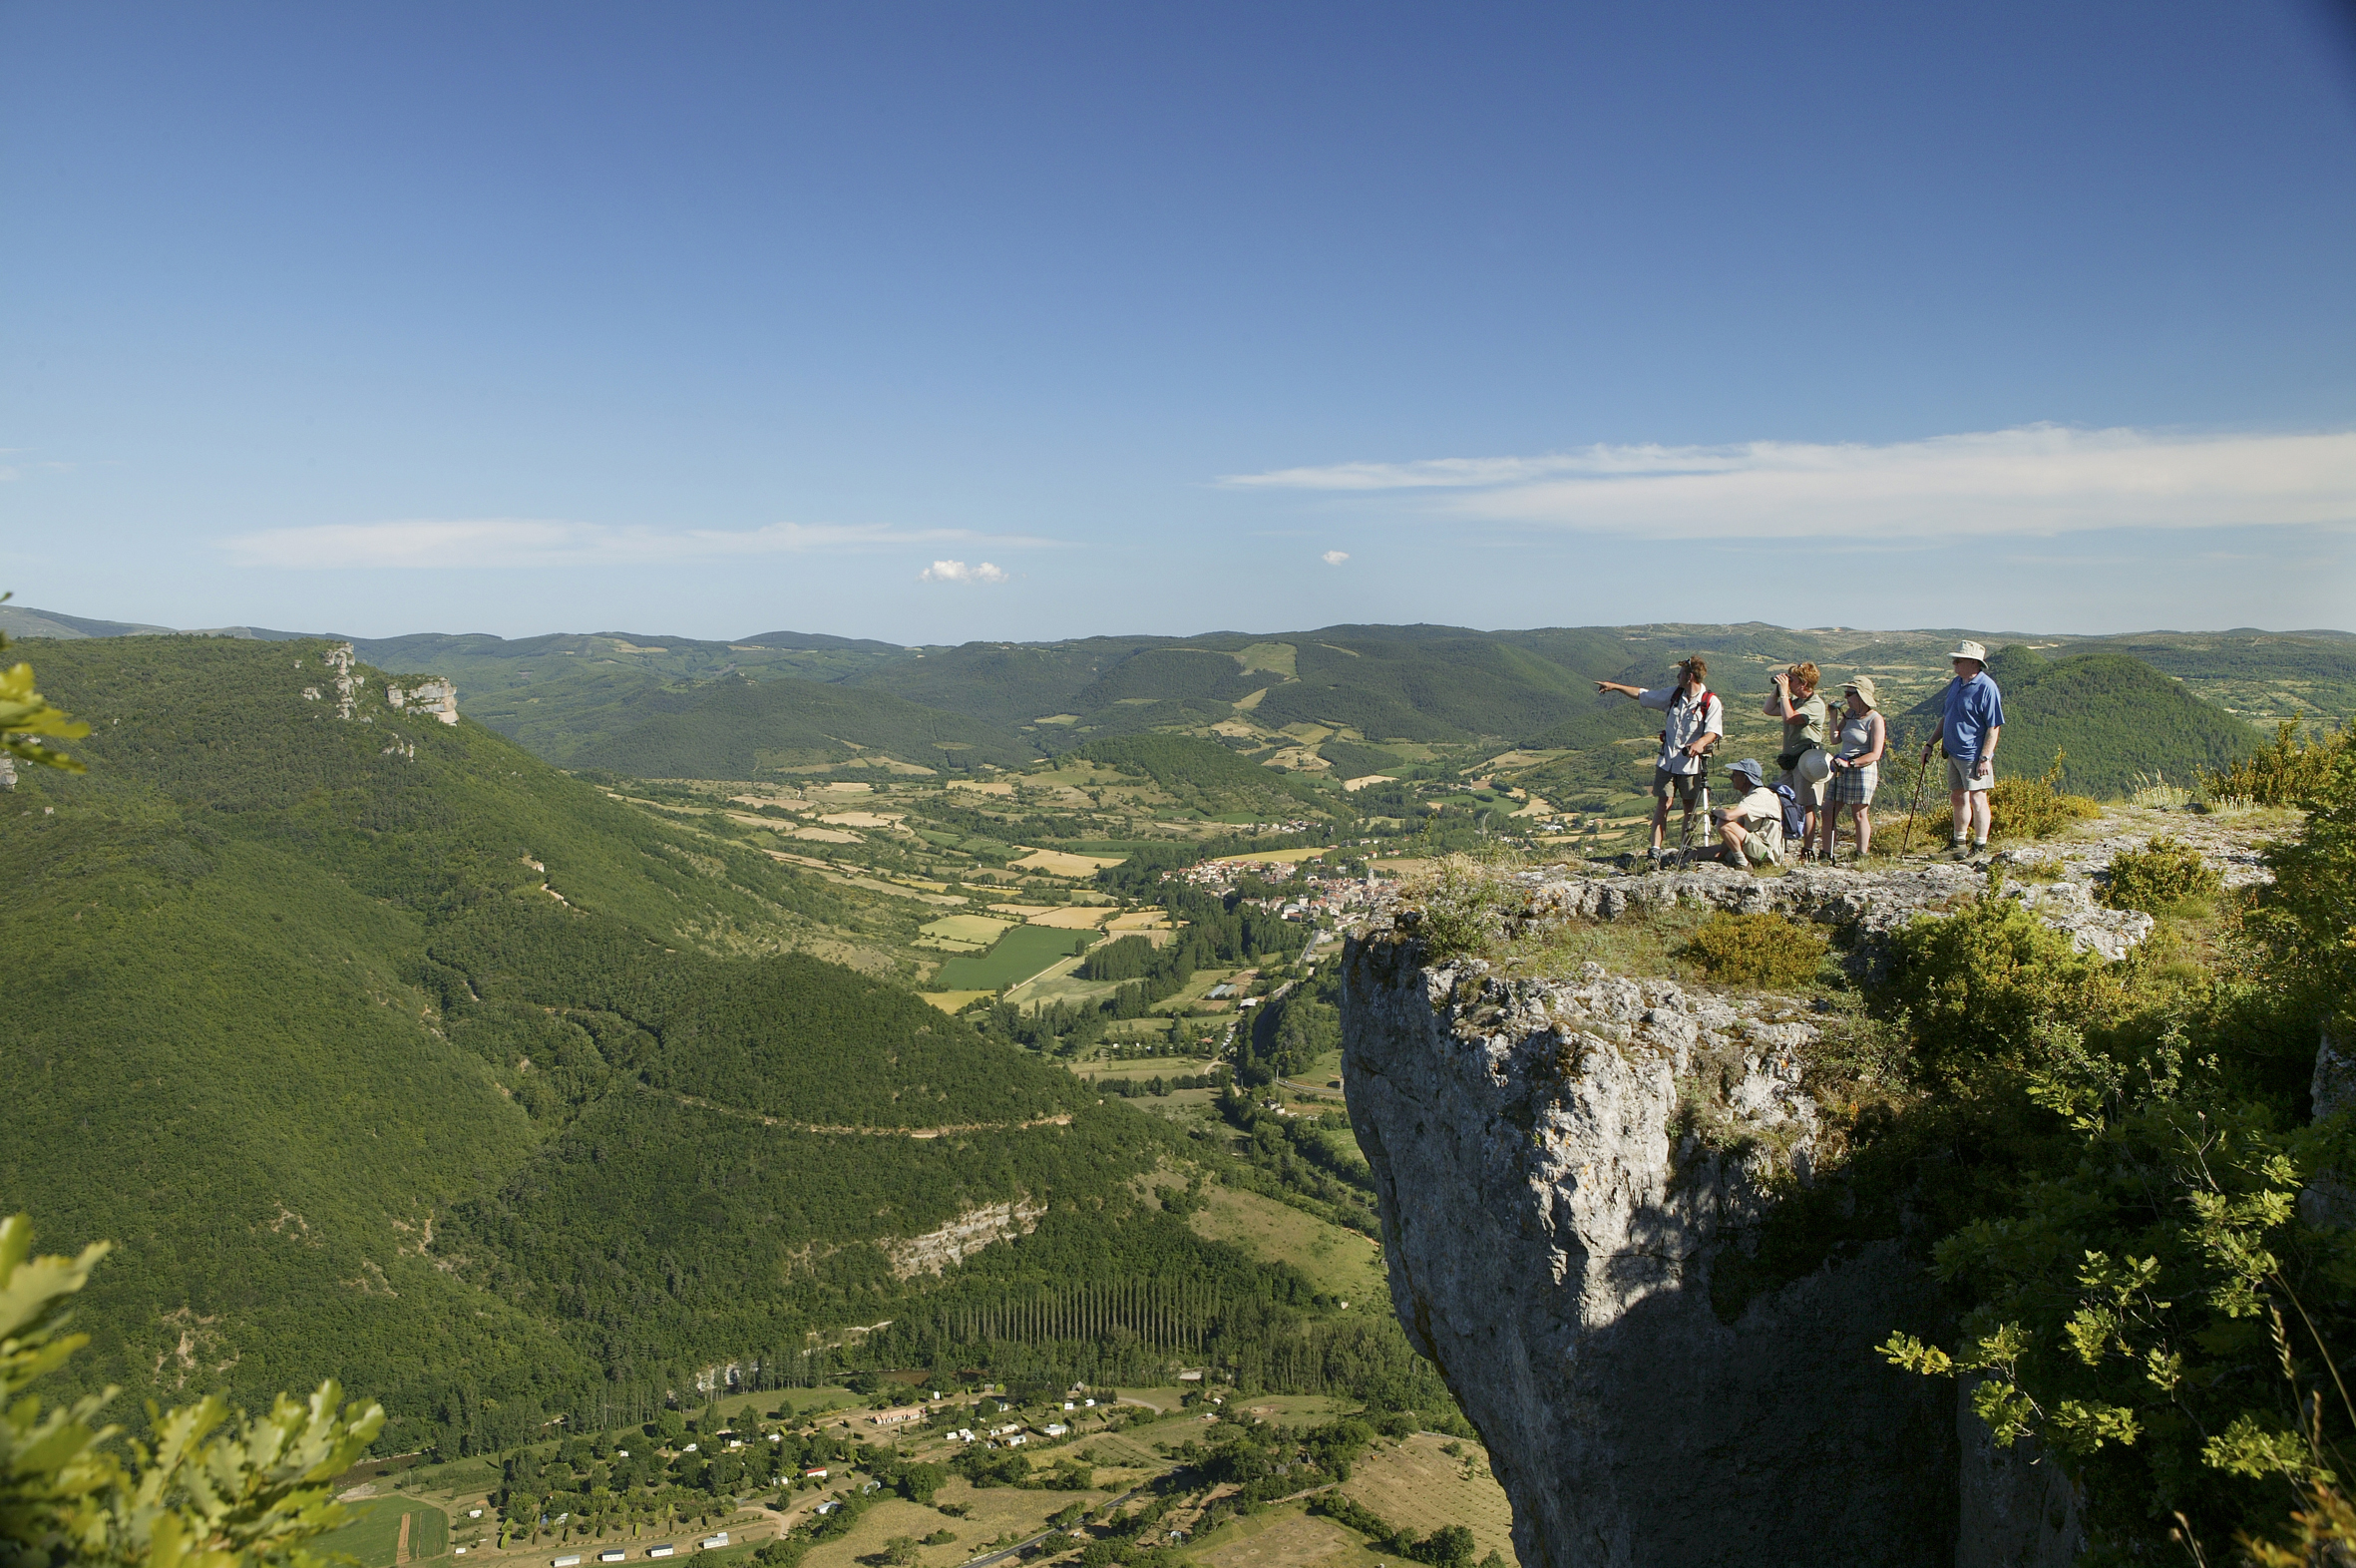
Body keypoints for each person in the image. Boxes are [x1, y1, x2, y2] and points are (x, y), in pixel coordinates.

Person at [1595, 656, 1723, 864]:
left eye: (1681, 673)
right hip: (1668, 761)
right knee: (1663, 803)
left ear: (1689, 676)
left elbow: (1713, 732)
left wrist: (1699, 744)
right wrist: (1614, 687)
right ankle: (1655, 850)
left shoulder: (1710, 702)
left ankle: (1685, 850)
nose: (1677, 676)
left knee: (1689, 807)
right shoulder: (1673, 695)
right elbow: (1643, 695)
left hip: (1691, 764)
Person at [1920, 639, 2005, 859]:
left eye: (1958, 660)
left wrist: (1985, 757)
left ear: (1973, 663)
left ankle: (1980, 847)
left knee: (1978, 798)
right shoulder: (1957, 684)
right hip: (1954, 752)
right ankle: (1958, 844)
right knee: (1958, 797)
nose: (1954, 664)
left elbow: (1993, 727)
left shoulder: (1987, 688)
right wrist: (1930, 743)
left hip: (1973, 755)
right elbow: (1947, 717)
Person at [1765, 662, 1832, 858]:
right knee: (1781, 799)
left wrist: (1785, 694)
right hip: (1791, 760)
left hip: (1807, 761)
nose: (1789, 682)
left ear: (1803, 683)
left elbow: (1790, 718)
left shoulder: (1815, 704)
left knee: (1807, 804)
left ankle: (1808, 848)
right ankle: (1782, 844)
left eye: (1792, 679)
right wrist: (1778, 691)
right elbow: (1768, 710)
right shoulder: (1796, 701)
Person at [1819, 675, 1885, 861]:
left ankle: (1861, 854)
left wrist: (1852, 763)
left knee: (1859, 813)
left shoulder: (1875, 719)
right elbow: (1835, 739)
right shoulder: (1849, 715)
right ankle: (1826, 853)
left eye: (1850, 694)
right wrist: (1833, 717)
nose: (1846, 697)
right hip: (1842, 767)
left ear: (1861, 696)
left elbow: (1875, 753)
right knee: (1828, 810)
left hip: (1862, 769)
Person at [1712, 758, 1783, 868]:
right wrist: (1719, 855)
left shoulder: (1759, 796)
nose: (1731, 778)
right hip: (1758, 848)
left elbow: (1728, 816)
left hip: (1767, 854)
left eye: (1735, 774)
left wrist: (1714, 811)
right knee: (1698, 852)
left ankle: (1743, 863)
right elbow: (1739, 827)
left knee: (1723, 823)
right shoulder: (1754, 796)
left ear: (1745, 778)